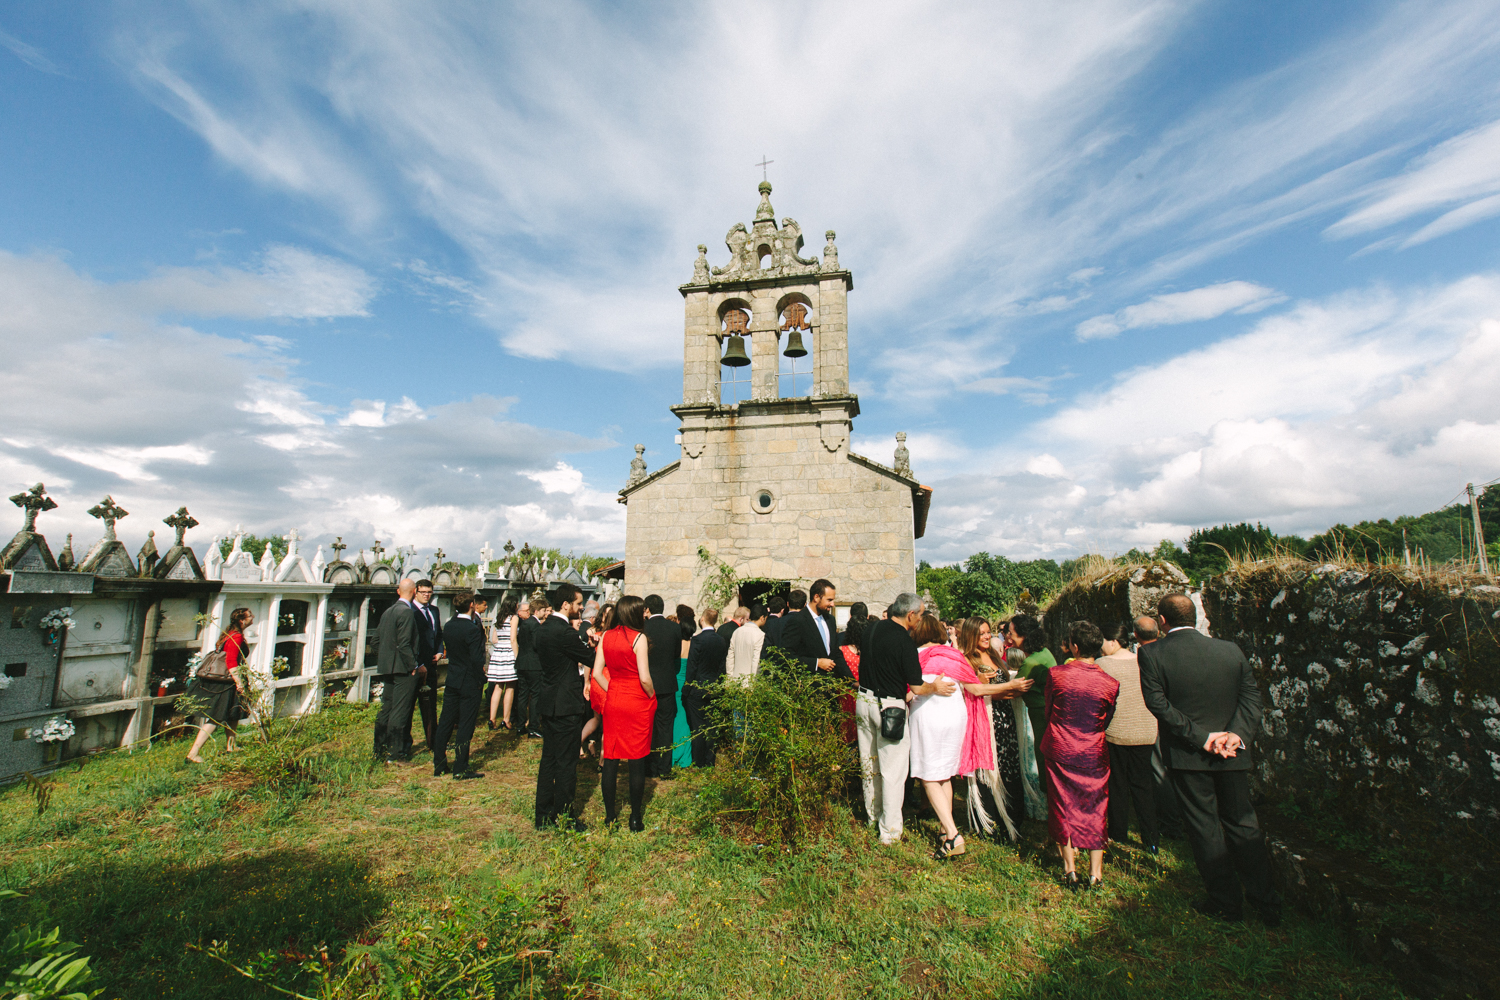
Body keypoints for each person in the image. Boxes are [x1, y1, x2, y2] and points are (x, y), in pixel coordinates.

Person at [1139, 593, 1280, 925]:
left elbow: (1158, 704)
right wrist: (1235, 734)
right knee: (1244, 825)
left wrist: (1202, 738)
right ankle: (1266, 901)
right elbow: (1251, 698)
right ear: (1196, 616)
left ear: (1162, 620)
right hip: (1232, 751)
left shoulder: (1152, 653)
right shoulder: (1229, 649)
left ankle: (1225, 901)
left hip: (1189, 755)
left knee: (1204, 828)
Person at [854, 593, 957, 846]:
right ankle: (889, 832)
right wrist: (936, 687)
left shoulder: (872, 628)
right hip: (889, 707)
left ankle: (872, 817)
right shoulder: (904, 641)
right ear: (910, 615)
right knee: (893, 771)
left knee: (870, 765)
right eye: (920, 615)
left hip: (863, 701)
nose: (921, 620)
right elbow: (917, 686)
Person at [909, 614, 1002, 858]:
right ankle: (943, 828)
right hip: (955, 715)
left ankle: (952, 835)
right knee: (945, 775)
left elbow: (909, 692)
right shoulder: (954, 654)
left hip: (928, 715)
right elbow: (973, 687)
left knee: (928, 775)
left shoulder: (915, 655)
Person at [1043, 621, 1120, 891]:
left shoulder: (1056, 674)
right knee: (1095, 806)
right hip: (1093, 751)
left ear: (1074, 646)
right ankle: (1095, 873)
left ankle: (1069, 868)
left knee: (1061, 804)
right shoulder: (1110, 683)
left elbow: (1049, 709)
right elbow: (1106, 719)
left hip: (1061, 745)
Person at [960, 617, 1034, 841]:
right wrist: (1007, 686)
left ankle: (1011, 819)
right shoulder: (966, 660)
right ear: (971, 634)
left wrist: (1014, 690)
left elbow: (998, 689)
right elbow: (973, 690)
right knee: (988, 769)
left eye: (988, 632)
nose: (986, 636)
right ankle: (989, 821)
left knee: (1009, 766)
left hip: (1005, 718)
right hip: (985, 720)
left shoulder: (994, 656)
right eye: (981, 632)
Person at [533, 584, 596, 831]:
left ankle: (543, 814)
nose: (581, 608)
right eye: (579, 603)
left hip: (548, 701)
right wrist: (593, 644)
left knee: (548, 760)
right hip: (566, 705)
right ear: (566, 604)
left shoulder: (543, 629)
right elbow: (590, 659)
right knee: (567, 762)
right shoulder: (565, 633)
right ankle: (565, 816)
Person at [592, 594, 657, 829]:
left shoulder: (606, 636)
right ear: (634, 613)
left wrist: (615, 690)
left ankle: (610, 816)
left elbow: (598, 673)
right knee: (636, 759)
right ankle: (635, 817)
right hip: (637, 701)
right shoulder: (638, 638)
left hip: (615, 698)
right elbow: (645, 677)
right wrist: (651, 695)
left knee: (610, 756)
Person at [1098, 621, 1160, 855]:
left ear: (1113, 641)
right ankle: (1151, 838)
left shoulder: (1102, 664)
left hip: (1116, 731)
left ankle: (1119, 832)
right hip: (1145, 729)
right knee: (1143, 785)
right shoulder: (1143, 660)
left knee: (1117, 784)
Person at [433, 590, 487, 780]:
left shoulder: (449, 626)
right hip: (469, 681)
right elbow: (475, 658)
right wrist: (482, 678)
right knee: (466, 724)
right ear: (471, 605)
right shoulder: (471, 629)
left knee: (446, 721)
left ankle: (439, 764)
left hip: (453, 678)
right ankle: (460, 767)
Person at [185, 607, 251, 763]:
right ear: (242, 620)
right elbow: (231, 662)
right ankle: (193, 753)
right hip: (227, 682)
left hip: (224, 680)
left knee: (233, 712)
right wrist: (239, 683)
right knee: (216, 717)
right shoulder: (236, 637)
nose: (252, 618)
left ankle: (231, 746)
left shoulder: (228, 635)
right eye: (250, 616)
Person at [373, 579, 421, 761]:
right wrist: (412, 666)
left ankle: (379, 749)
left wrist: (387, 658)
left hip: (388, 667)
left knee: (386, 709)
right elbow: (404, 643)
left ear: (398, 591)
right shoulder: (406, 612)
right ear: (415, 592)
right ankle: (395, 753)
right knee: (400, 711)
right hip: (403, 669)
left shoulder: (388, 612)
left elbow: (375, 642)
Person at [776, 578, 852, 679]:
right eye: (829, 600)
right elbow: (785, 656)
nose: (832, 604)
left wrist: (851, 680)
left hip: (830, 688)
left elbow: (835, 653)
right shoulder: (798, 620)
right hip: (808, 686)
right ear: (816, 597)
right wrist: (816, 663)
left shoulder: (830, 620)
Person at [641, 595, 682, 780]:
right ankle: (665, 768)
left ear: (647, 609)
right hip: (666, 682)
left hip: (646, 683)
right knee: (666, 727)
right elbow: (676, 655)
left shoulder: (642, 628)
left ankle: (649, 767)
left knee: (648, 727)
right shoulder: (674, 627)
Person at [402, 579, 444, 756]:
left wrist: (440, 651)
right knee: (409, 706)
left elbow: (438, 633)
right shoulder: (409, 611)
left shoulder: (434, 610)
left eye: (429, 592)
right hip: (414, 666)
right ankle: (405, 745)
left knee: (431, 706)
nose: (427, 595)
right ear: (415, 593)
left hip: (431, 664)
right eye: (423, 592)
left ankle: (433, 742)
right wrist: (416, 663)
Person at [682, 607, 729, 767]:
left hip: (698, 687)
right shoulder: (721, 640)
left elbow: (692, 666)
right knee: (712, 726)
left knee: (698, 725)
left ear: (702, 619)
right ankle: (710, 759)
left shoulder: (698, 640)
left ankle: (698, 760)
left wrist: (687, 688)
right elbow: (722, 666)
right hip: (714, 687)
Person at [1007, 615, 1056, 761]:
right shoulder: (1044, 652)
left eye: (1011, 633)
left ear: (1024, 635)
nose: (1008, 636)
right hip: (1048, 712)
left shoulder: (1031, 663)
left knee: (1043, 758)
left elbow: (1012, 691)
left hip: (1041, 716)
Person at [486, 597, 520, 730]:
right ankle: (506, 719)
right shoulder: (514, 618)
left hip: (498, 652)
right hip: (509, 653)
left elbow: (494, 639)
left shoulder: (498, 618)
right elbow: (513, 639)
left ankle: (492, 718)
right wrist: (517, 657)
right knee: (510, 687)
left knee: (497, 687)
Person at [515, 599, 544, 738]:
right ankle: (533, 727)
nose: (545, 614)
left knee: (522, 695)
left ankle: (520, 725)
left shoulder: (524, 623)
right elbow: (536, 644)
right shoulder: (536, 625)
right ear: (537, 611)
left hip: (521, 663)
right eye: (543, 611)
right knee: (535, 695)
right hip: (533, 664)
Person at [726, 603, 768, 680]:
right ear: (762, 618)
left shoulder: (737, 631)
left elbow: (730, 657)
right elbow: (756, 662)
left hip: (735, 681)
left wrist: (729, 679)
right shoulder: (760, 635)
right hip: (750, 681)